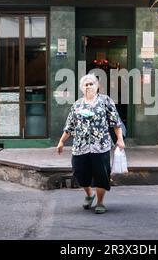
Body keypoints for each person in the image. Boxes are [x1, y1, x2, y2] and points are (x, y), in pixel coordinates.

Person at [56, 73, 125, 214]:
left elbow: (115, 122)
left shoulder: (105, 101)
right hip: (80, 146)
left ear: (97, 86)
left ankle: (100, 202)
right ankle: (89, 194)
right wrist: (61, 141)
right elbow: (69, 125)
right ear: (82, 87)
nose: (88, 86)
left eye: (91, 84)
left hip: (100, 145)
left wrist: (120, 139)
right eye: (85, 84)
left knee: (101, 175)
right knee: (79, 172)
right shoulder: (77, 105)